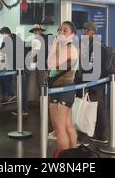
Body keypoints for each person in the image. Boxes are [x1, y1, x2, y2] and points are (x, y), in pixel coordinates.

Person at [47, 21, 79, 157]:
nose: (61, 33)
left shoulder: (68, 48)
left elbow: (50, 63)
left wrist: (54, 44)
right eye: (60, 30)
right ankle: (73, 153)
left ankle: (65, 156)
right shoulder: (66, 47)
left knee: (59, 128)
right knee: (66, 125)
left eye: (65, 30)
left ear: (72, 33)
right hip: (63, 89)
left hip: (63, 89)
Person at [76, 21, 108, 143]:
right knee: (97, 108)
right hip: (95, 82)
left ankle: (86, 137)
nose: (84, 32)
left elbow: (93, 66)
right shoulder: (88, 44)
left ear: (94, 32)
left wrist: (89, 81)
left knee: (90, 108)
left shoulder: (96, 46)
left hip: (94, 82)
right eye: (84, 29)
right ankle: (100, 135)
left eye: (88, 30)